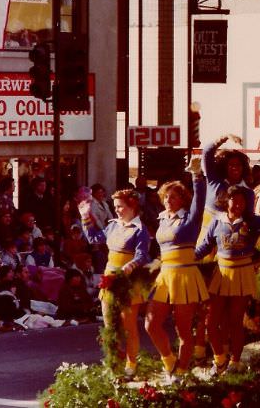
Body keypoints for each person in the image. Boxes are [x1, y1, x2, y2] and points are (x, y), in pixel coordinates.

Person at [195, 186, 260, 375]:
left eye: (242, 202)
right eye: (234, 200)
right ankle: (219, 360)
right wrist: (185, 258)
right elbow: (204, 246)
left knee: (236, 322)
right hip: (221, 274)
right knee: (212, 323)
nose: (237, 205)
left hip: (242, 274)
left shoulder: (252, 222)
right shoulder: (216, 221)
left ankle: (235, 362)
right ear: (226, 201)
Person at [145, 160, 207, 379]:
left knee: (183, 330)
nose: (169, 200)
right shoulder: (162, 220)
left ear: (183, 199)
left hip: (185, 276)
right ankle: (170, 363)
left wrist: (197, 175)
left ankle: (181, 371)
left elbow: (200, 202)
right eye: (166, 197)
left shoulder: (190, 219)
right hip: (165, 276)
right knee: (151, 324)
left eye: (174, 196)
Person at [79, 189, 150, 378]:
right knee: (110, 326)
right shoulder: (112, 226)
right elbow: (94, 238)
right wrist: (85, 216)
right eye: (115, 206)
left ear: (132, 206)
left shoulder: (140, 229)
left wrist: (129, 266)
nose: (117, 210)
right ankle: (113, 364)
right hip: (109, 280)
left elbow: (142, 255)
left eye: (120, 206)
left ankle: (131, 364)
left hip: (128, 282)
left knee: (129, 327)